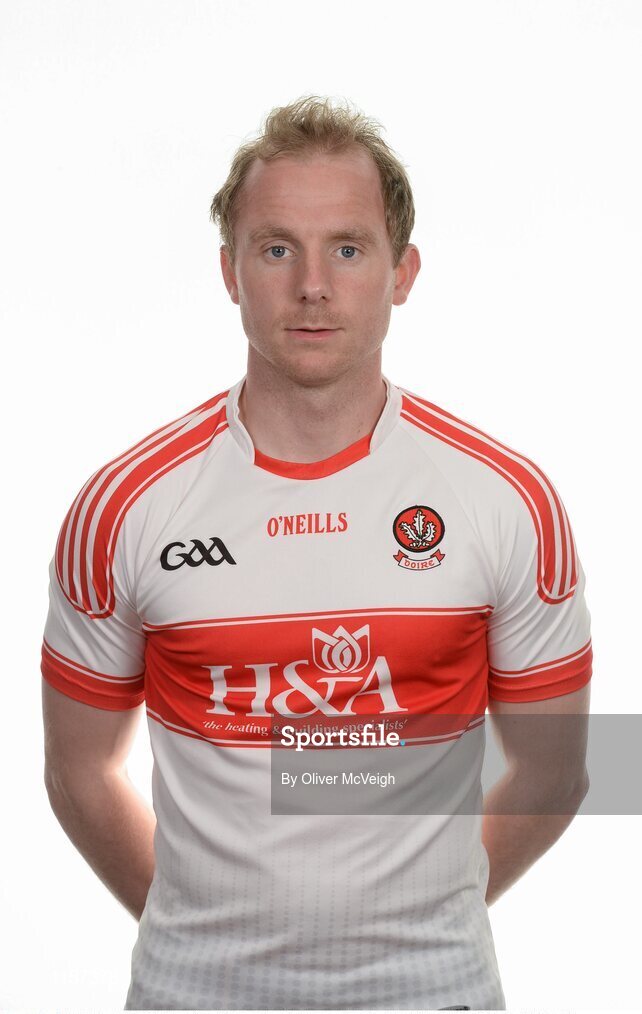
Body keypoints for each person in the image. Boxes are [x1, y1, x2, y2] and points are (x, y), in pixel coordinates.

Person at [41, 94, 592, 1011]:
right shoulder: (124, 508)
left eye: (347, 247)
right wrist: (197, 936)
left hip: (436, 992)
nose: (311, 285)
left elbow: (561, 770)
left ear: (401, 271)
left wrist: (429, 918)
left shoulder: (507, 502)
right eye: (275, 248)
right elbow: (78, 769)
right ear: (229, 271)